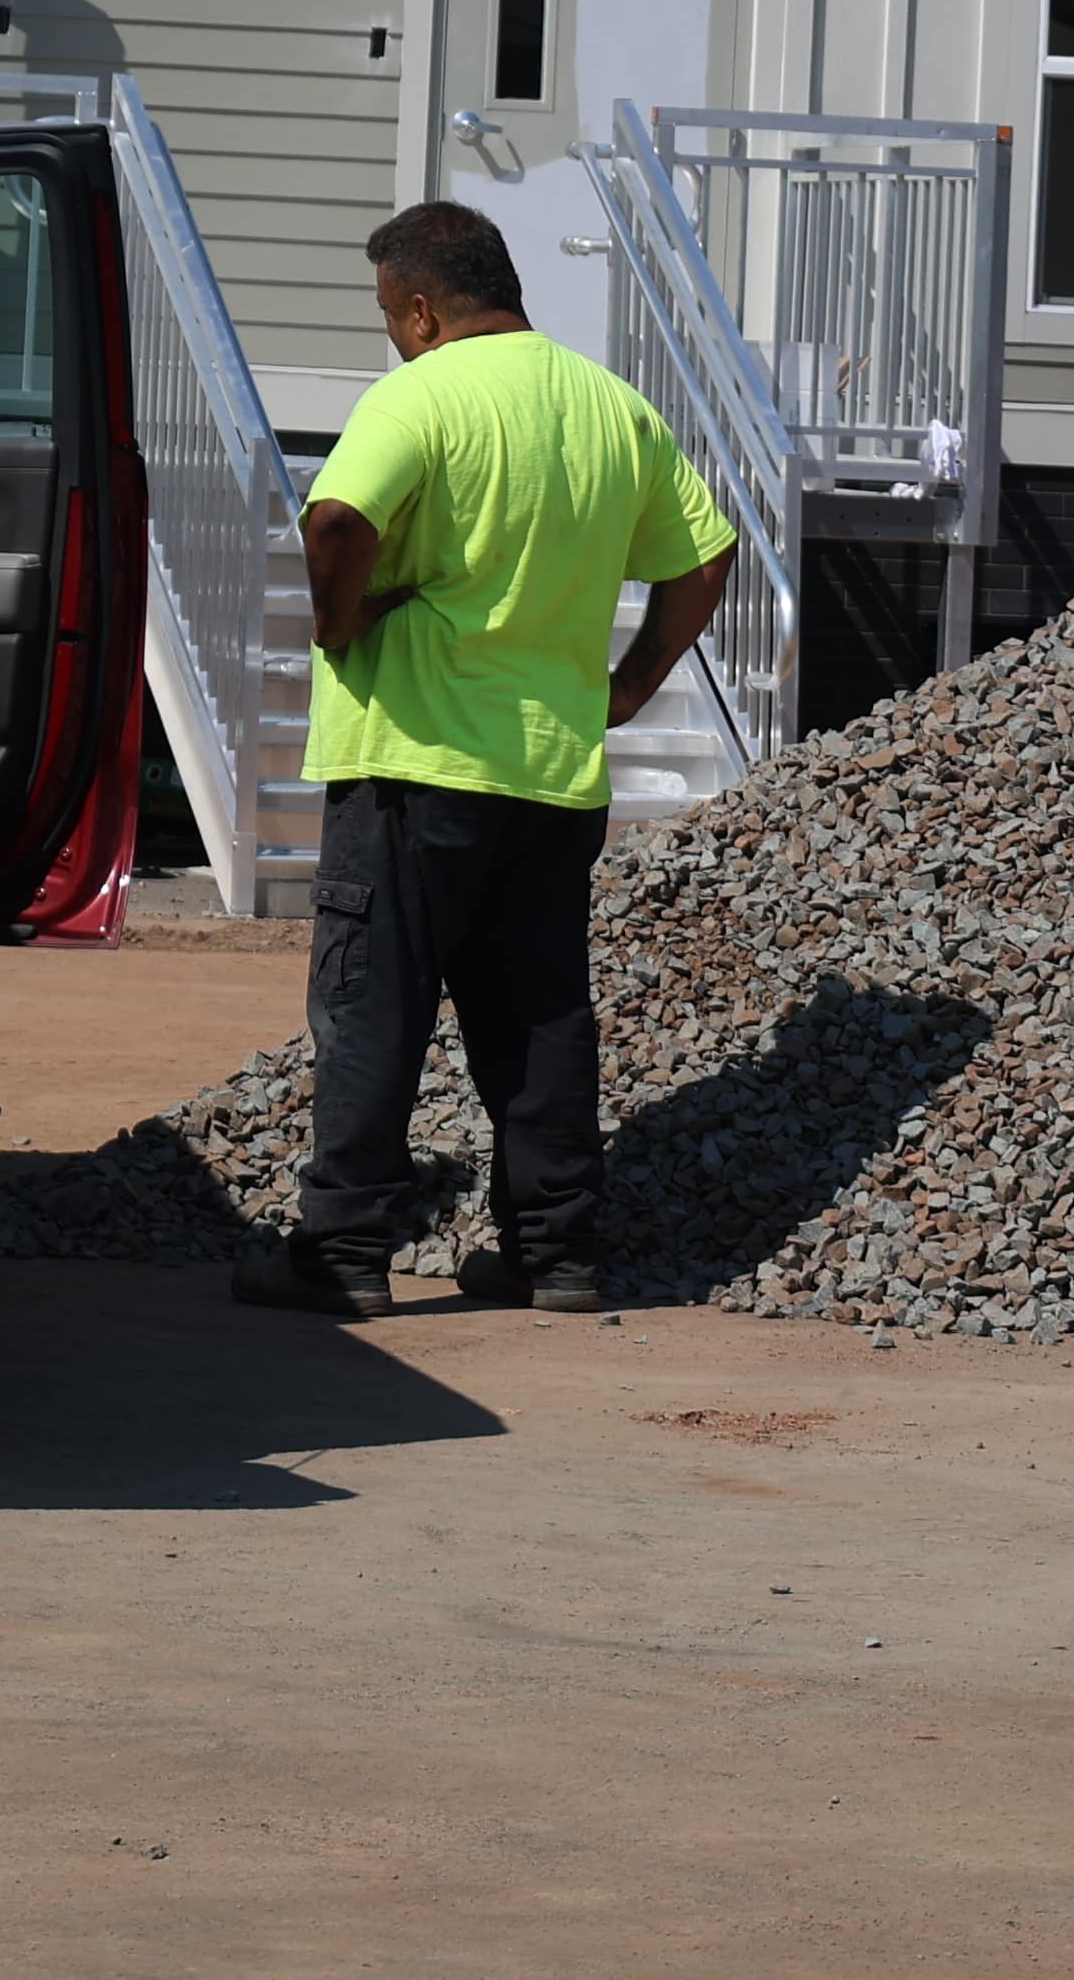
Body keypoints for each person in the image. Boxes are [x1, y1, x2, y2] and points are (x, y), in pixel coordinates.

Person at [232, 200, 740, 1322]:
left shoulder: (420, 394)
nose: (389, 334)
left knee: (374, 1008)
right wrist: (631, 684)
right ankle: (554, 1255)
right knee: (540, 1018)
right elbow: (706, 558)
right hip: (552, 777)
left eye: (386, 314)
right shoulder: (611, 407)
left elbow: (334, 525)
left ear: (421, 307)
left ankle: (344, 1253)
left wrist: (339, 623)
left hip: (414, 765)